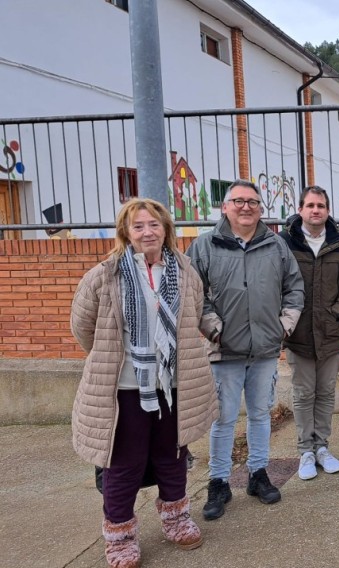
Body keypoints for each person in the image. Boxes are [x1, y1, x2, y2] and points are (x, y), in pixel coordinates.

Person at [70, 198, 217, 568]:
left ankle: (176, 518)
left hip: (173, 385)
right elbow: (83, 328)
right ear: (126, 232)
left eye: (154, 225)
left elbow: (195, 313)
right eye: (138, 226)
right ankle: (119, 535)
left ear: (166, 229)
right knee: (124, 464)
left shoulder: (185, 272)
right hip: (124, 389)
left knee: (173, 456)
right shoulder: (105, 275)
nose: (147, 232)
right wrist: (117, 357)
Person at [187, 180, 304, 520]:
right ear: (225, 207)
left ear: (260, 209)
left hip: (265, 350)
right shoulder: (205, 246)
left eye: (253, 202)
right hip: (225, 352)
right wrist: (213, 329)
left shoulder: (275, 245)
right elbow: (196, 294)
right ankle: (219, 481)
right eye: (238, 201)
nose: (246, 207)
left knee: (259, 415)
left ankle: (257, 474)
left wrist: (284, 325)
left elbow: (294, 288)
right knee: (222, 420)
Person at [282, 186, 339, 480]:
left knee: (326, 392)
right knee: (305, 393)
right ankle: (305, 450)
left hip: (331, 331)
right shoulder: (284, 242)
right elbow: (274, 282)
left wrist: (338, 309)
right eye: (310, 205)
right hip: (298, 333)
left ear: (328, 210)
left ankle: (322, 448)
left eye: (321, 205)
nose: (315, 210)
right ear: (301, 209)